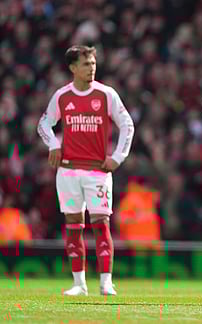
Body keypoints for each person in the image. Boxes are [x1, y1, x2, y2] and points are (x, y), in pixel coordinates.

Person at [37, 45, 134, 296]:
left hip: (97, 172)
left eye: (92, 63)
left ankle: (105, 282)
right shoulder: (62, 96)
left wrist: (118, 157)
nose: (91, 68)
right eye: (85, 64)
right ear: (72, 68)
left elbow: (127, 125)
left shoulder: (106, 94)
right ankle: (79, 284)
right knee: (73, 225)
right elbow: (44, 124)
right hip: (68, 171)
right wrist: (54, 144)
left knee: (101, 224)